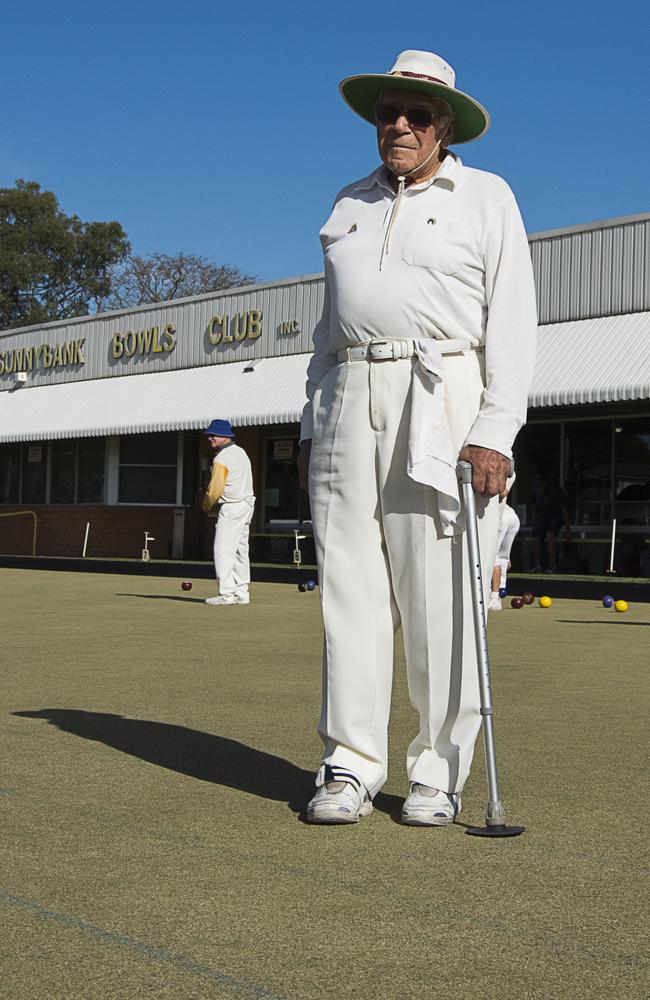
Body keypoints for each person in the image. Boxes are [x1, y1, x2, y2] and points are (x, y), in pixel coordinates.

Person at [297, 50, 537, 826]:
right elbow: (328, 327)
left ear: (445, 126)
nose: (398, 125)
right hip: (347, 395)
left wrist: (495, 429)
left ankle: (436, 771)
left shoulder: (486, 197)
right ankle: (350, 765)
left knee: (439, 593)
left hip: (440, 397)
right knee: (349, 592)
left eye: (417, 115)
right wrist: (312, 419)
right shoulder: (348, 202)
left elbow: (514, 326)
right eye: (386, 113)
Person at [201, 420, 255, 606]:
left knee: (223, 550)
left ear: (225, 436)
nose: (210, 438)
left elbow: (215, 489)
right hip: (247, 504)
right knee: (241, 550)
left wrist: (207, 505)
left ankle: (226, 594)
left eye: (213, 435)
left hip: (232, 506)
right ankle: (242, 592)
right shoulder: (241, 452)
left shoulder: (221, 458)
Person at [529, 470, 571, 573]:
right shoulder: (535, 493)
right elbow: (533, 508)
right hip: (543, 515)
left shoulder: (555, 491)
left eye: (539, 487)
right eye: (535, 487)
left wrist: (568, 528)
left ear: (544, 484)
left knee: (550, 536)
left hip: (556, 514)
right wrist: (534, 524)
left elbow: (564, 509)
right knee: (535, 537)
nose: (537, 490)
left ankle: (552, 565)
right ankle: (537, 565)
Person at [488, 492, 521, 610]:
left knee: (492, 556)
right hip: (513, 516)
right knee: (502, 557)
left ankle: (494, 597)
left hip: (501, 516)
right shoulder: (509, 475)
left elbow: (503, 492)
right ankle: (500, 591)